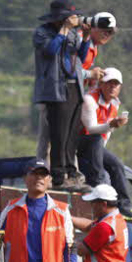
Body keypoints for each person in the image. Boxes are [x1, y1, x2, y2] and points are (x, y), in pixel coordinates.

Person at [38, 12, 116, 168]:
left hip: (72, 94)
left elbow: (78, 68)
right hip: (59, 93)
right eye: (103, 29)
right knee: (50, 138)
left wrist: (91, 77)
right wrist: (89, 73)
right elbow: (64, 67)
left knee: (66, 137)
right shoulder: (77, 38)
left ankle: (63, 171)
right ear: (92, 27)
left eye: (110, 32)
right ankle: (44, 172)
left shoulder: (92, 45)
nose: (106, 35)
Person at [33, 0, 87, 190]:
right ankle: (58, 177)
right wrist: (64, 29)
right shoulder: (42, 33)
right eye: (68, 17)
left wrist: (86, 37)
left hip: (75, 87)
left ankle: (72, 174)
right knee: (59, 135)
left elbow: (81, 56)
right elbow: (51, 51)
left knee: (72, 135)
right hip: (56, 90)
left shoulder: (73, 33)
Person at [77, 67, 132, 216]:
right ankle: (99, 187)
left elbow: (105, 136)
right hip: (79, 142)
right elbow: (90, 128)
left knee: (116, 164)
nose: (112, 87)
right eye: (109, 83)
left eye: (116, 84)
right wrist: (111, 125)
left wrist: (111, 127)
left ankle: (124, 206)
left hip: (96, 145)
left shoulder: (115, 104)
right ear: (101, 84)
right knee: (96, 140)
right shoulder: (90, 99)